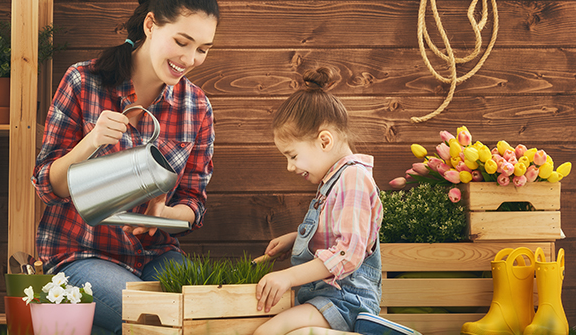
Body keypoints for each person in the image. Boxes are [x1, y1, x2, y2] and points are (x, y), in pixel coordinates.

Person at [31, 0, 219, 333]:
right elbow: (49, 186)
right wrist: (91, 142)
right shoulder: (83, 81)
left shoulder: (197, 107)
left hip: (155, 255)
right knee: (153, 322)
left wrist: (167, 215)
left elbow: (193, 201)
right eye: (181, 41)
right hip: (80, 255)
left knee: (205, 318)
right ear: (150, 25)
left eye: (202, 49)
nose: (190, 60)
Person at [253, 67, 417, 335]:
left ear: (324, 141)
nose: (290, 167)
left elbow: (348, 254)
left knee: (267, 333)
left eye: (292, 156)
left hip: (346, 301)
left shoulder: (353, 178)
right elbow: (343, 234)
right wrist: (297, 238)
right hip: (326, 299)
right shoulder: (333, 182)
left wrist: (287, 276)